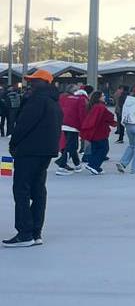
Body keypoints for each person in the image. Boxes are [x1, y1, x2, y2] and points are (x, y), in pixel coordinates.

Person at [4, 70, 62, 248]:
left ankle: (25, 233)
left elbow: (23, 125)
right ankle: (36, 232)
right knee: (38, 190)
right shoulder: (54, 103)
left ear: (45, 82)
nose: (31, 84)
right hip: (45, 152)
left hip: (28, 151)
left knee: (21, 190)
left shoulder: (37, 100)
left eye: (35, 81)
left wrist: (13, 144)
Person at [78, 90, 115, 175]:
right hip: (100, 131)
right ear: (98, 98)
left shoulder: (90, 106)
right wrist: (114, 122)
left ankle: (95, 167)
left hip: (92, 132)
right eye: (102, 96)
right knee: (104, 149)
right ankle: (93, 165)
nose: (104, 97)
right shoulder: (100, 107)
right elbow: (108, 116)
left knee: (94, 149)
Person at [54, 85, 88, 174]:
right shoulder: (80, 100)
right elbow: (82, 113)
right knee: (70, 146)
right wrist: (83, 125)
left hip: (64, 123)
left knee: (72, 145)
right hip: (73, 125)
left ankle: (77, 165)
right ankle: (62, 167)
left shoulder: (68, 98)